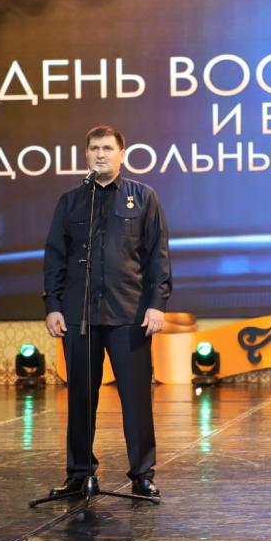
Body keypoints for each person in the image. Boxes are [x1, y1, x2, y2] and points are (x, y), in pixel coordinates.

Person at [43, 124, 171, 498]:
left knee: (136, 400)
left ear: (122, 154)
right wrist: (53, 306)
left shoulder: (143, 198)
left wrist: (157, 304)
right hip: (80, 316)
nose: (100, 154)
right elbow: (55, 257)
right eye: (95, 148)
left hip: (129, 314)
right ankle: (80, 473)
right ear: (86, 155)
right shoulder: (71, 202)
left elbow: (158, 256)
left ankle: (142, 474)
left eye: (107, 148)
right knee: (81, 399)